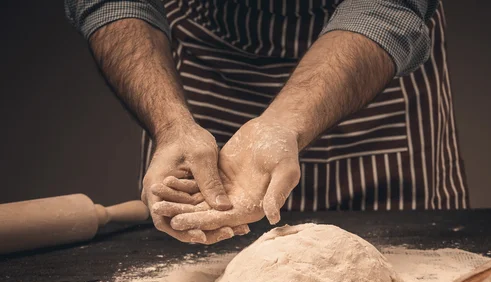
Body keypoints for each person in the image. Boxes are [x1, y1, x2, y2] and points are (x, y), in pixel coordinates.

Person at [65, 0, 468, 244]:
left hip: (371, 64)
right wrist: (172, 126)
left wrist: (286, 122)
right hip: (212, 60)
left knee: (408, 268)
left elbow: (387, 6)